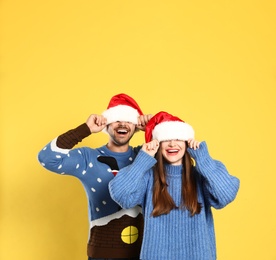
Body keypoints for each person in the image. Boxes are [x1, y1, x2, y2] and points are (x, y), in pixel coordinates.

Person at [109, 111, 240, 260]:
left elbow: (227, 195)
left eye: (178, 138)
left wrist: (204, 159)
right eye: (166, 139)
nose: (172, 143)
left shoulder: (201, 175)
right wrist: (142, 160)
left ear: (187, 142)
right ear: (158, 143)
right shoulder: (148, 176)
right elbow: (119, 194)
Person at [37, 93, 152, 260]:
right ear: (107, 124)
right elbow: (47, 158)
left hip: (144, 253)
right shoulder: (88, 157)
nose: (122, 124)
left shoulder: (145, 155)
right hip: (102, 254)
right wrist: (86, 129)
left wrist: (152, 128)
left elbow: (175, 154)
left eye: (128, 120)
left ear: (136, 126)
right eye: (117, 120)